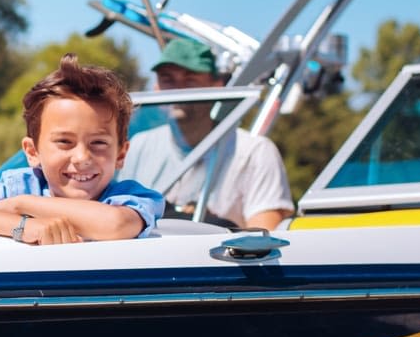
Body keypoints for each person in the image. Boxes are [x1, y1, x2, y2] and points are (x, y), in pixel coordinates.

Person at [0, 54, 163, 243]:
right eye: (64, 142)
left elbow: (116, 225)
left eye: (98, 143)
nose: (82, 157)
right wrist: (23, 226)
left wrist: (22, 205)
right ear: (32, 152)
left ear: (121, 153)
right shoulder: (18, 186)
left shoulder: (131, 198)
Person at [121, 39, 295, 230]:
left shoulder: (255, 152)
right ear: (156, 89)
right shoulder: (138, 145)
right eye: (168, 80)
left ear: (217, 86)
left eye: (190, 80)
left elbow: (264, 236)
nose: (178, 90)